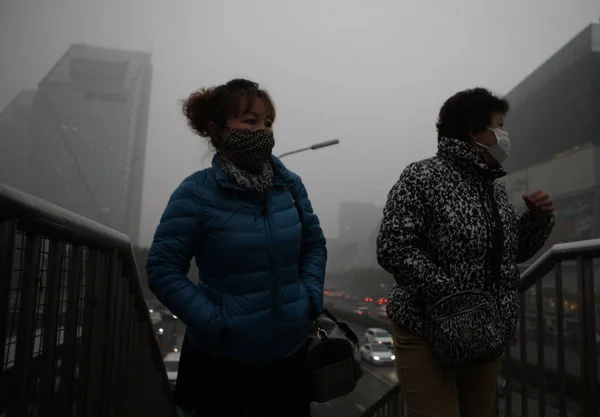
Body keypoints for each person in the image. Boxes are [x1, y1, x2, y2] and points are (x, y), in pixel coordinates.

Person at [146, 79, 327, 417]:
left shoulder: (289, 186)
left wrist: (310, 296)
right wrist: (216, 321)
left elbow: (314, 245)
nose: (263, 131)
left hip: (288, 360)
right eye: (250, 121)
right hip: (221, 365)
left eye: (267, 122)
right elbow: (162, 269)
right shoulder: (196, 193)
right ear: (218, 132)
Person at [376, 88, 555, 417]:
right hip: (425, 330)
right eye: (499, 126)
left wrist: (538, 220)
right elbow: (394, 246)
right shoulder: (422, 176)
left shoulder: (494, 188)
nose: (505, 135)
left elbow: (511, 252)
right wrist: (453, 299)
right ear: (476, 131)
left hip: (482, 334)